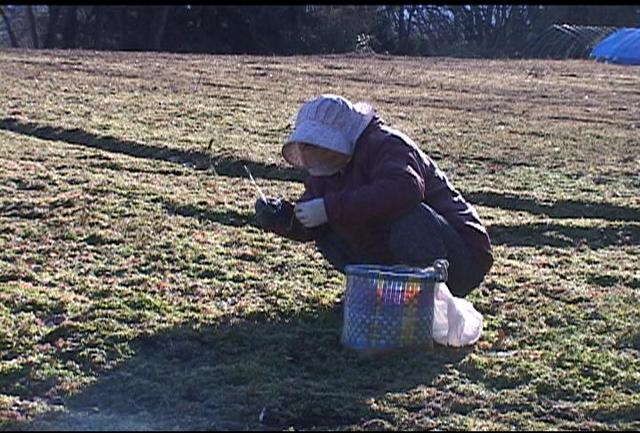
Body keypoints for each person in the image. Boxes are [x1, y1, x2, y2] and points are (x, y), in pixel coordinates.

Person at [254, 94, 493, 297]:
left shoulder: (388, 145)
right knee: (326, 229)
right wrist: (284, 219)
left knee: (408, 215)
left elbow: (405, 189)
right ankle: (386, 293)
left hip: (461, 257)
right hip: (395, 251)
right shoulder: (326, 168)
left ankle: (426, 296)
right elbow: (314, 216)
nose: (315, 156)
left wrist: (330, 208)